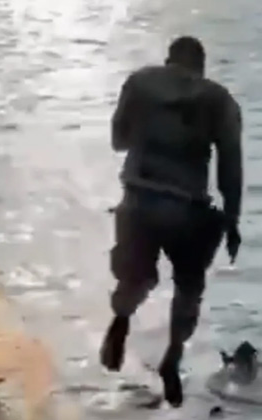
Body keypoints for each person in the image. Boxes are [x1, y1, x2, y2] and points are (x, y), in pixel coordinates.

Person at [99, 35, 244, 407]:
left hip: (138, 199)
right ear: (201, 67)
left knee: (136, 277)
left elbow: (118, 141)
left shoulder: (139, 82)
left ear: (168, 60)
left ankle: (121, 319)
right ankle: (173, 355)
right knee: (189, 288)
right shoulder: (219, 99)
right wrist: (232, 219)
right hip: (187, 208)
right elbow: (230, 166)